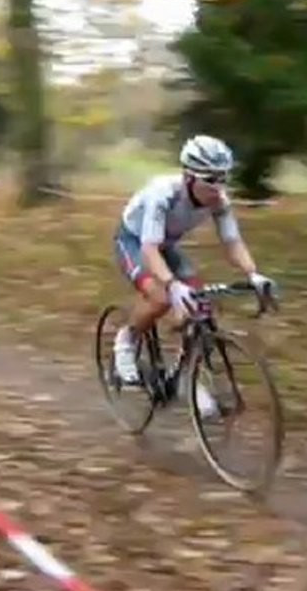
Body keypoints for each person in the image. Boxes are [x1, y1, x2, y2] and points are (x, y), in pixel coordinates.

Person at [111, 134, 277, 415]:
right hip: (134, 241)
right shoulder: (163, 194)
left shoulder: (218, 201)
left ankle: (186, 379)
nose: (218, 187)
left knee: (196, 307)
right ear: (189, 176)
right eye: (210, 179)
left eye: (223, 178)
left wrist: (253, 274)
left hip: (166, 244)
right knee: (161, 297)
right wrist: (172, 286)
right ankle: (126, 339)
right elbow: (149, 250)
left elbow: (232, 242)